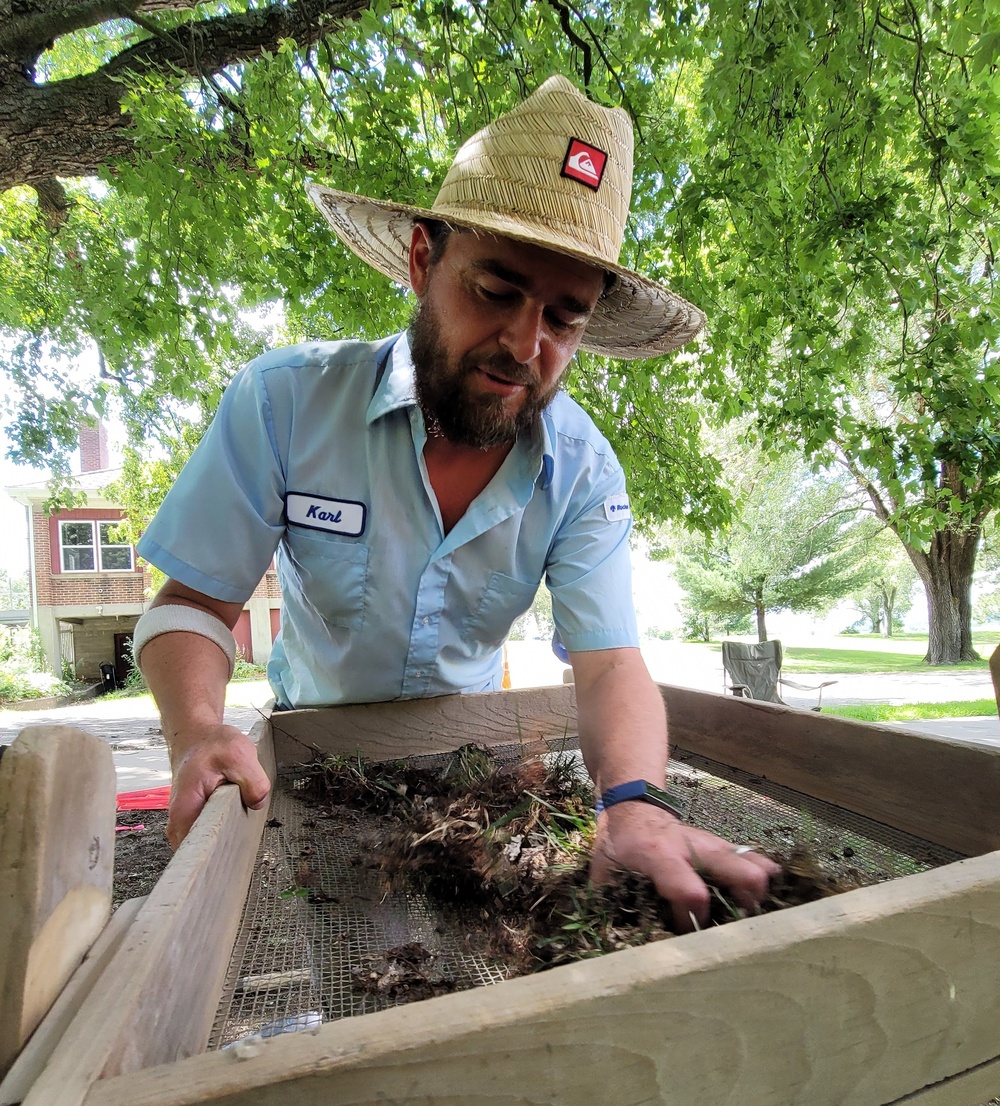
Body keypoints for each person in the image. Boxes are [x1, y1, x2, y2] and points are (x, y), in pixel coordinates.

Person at [134, 74, 778, 929]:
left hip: (473, 781)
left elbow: (611, 662)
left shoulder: (585, 472)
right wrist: (197, 729)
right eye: (497, 290)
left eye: (565, 317)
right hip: (313, 762)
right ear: (422, 261)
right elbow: (193, 608)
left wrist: (633, 801)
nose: (524, 344)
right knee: (339, 955)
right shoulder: (283, 404)